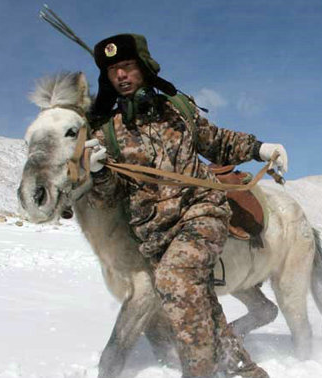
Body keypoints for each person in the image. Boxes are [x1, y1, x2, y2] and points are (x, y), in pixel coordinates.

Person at [86, 34, 287, 378]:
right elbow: (108, 196)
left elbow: (217, 142)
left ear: (144, 68)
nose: (120, 75)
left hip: (202, 212)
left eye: (127, 66)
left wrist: (260, 149)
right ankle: (244, 370)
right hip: (154, 235)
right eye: (112, 71)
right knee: (201, 301)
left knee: (175, 278)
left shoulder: (178, 108)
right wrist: (98, 172)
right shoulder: (108, 134)